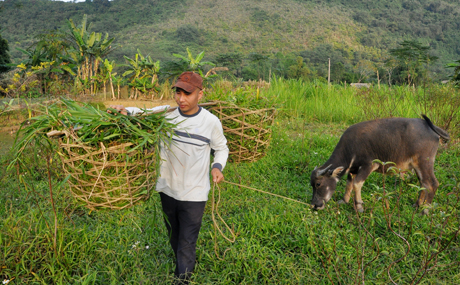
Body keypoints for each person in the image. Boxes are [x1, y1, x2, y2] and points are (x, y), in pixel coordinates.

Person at [109, 71, 229, 284]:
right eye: (178, 92)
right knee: (174, 236)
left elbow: (221, 148)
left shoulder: (211, 122)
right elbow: (143, 113)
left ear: (200, 94)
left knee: (186, 241)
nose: (181, 99)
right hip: (167, 189)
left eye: (188, 94)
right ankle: (185, 263)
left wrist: (217, 166)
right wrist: (124, 111)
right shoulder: (167, 113)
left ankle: (182, 278)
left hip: (195, 193)